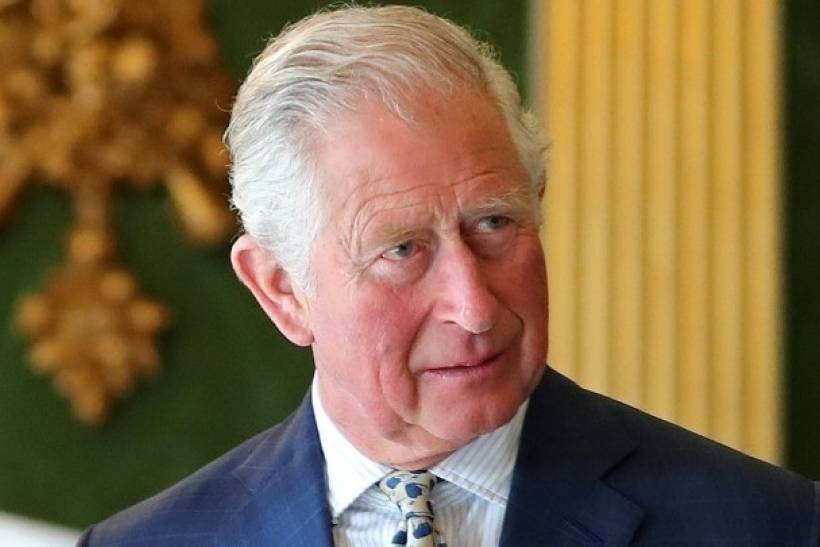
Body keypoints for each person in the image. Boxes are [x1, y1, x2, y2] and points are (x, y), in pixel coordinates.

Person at [79, 5, 818, 546]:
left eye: (493, 223)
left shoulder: (770, 527)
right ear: (281, 288)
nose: (474, 307)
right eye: (402, 250)